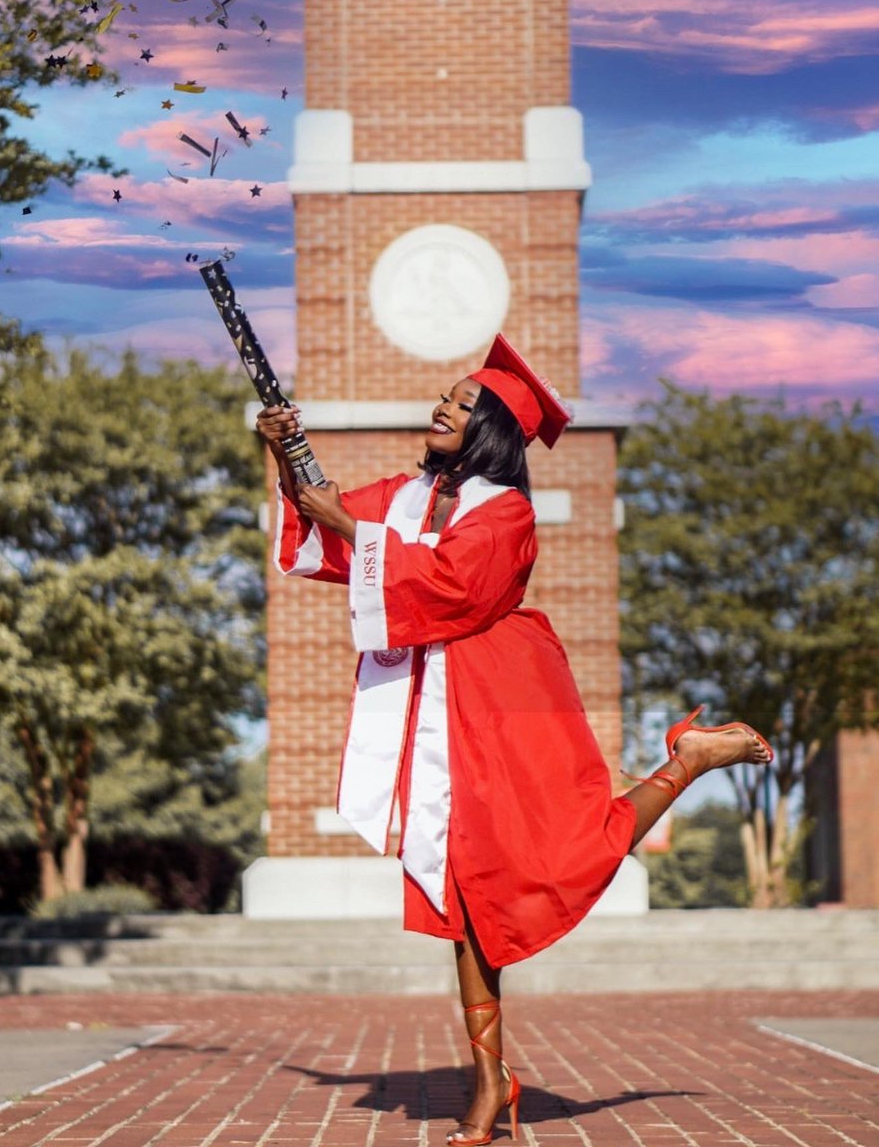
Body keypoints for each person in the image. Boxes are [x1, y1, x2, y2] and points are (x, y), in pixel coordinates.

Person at [257, 334, 772, 1147]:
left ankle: (687, 759)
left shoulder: (507, 511)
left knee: (558, 855)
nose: (444, 407)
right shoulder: (406, 497)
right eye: (447, 396)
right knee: (462, 897)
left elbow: (454, 588)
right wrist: (287, 455)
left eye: (462, 403)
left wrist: (348, 530)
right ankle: (491, 1081)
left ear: (491, 427)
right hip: (433, 713)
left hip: (497, 703)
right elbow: (328, 530)